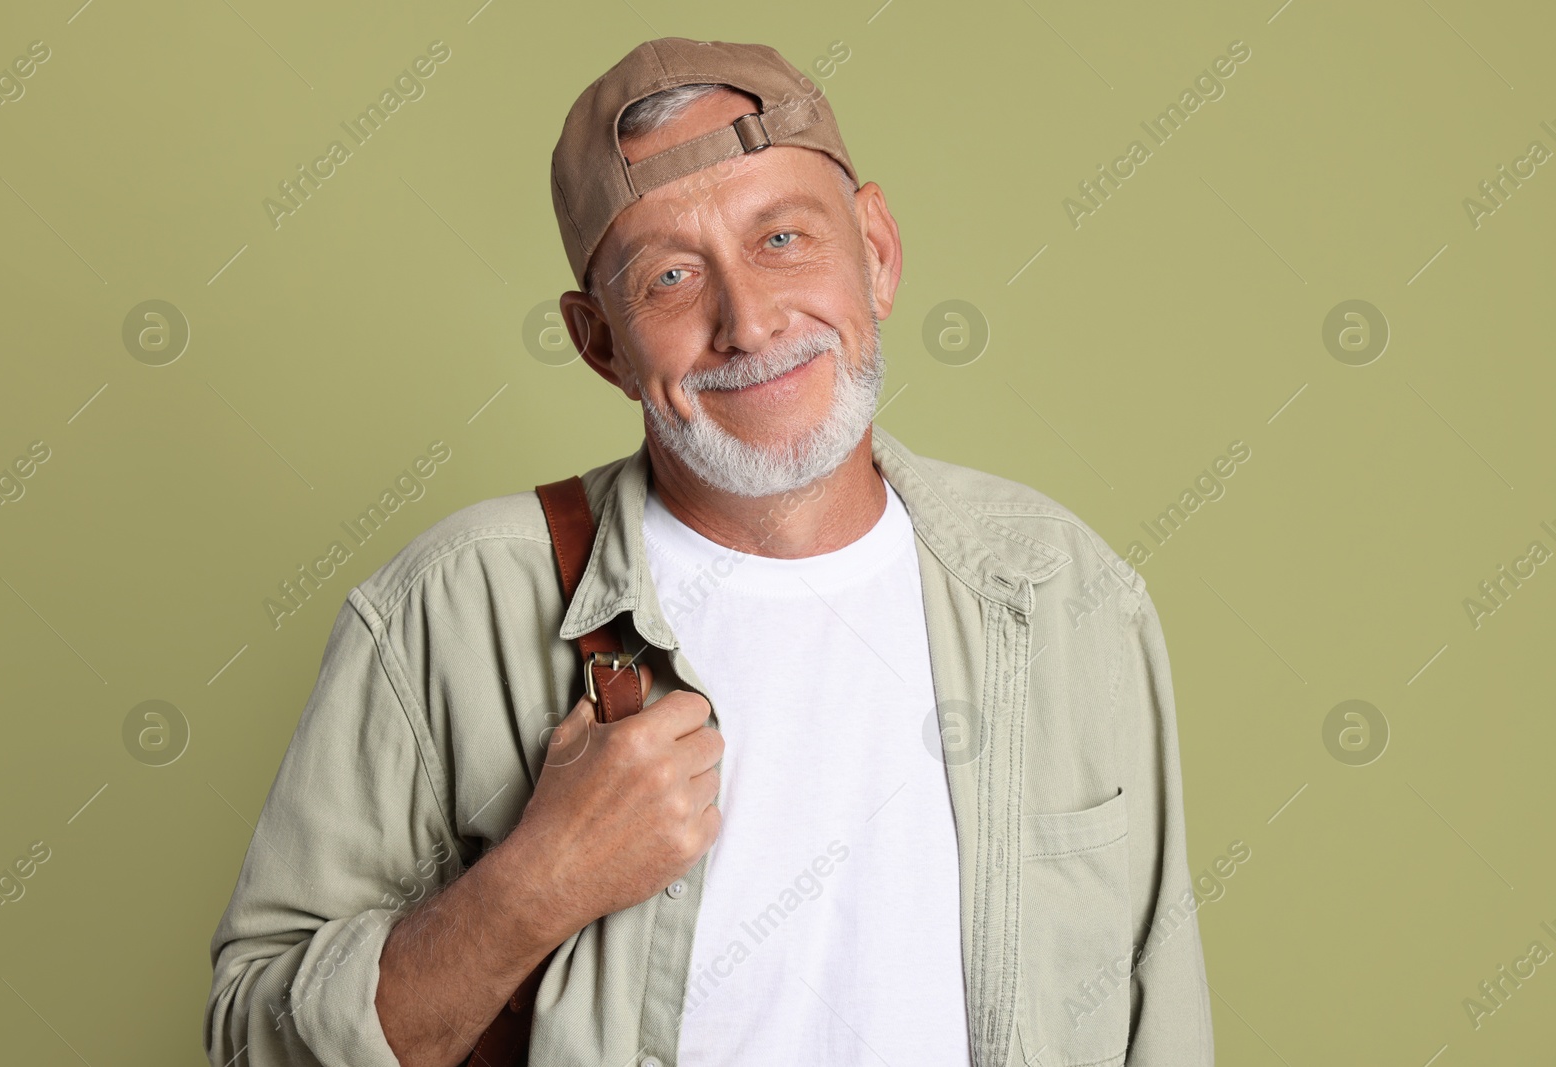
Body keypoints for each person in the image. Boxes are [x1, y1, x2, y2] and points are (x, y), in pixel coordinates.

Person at [205, 37, 1214, 1067]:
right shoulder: (448, 606)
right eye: (672, 278)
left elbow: (1159, 1006)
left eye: (782, 238)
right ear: (600, 342)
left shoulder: (1061, 589)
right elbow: (254, 1039)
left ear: (877, 250)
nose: (748, 320)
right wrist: (534, 882)